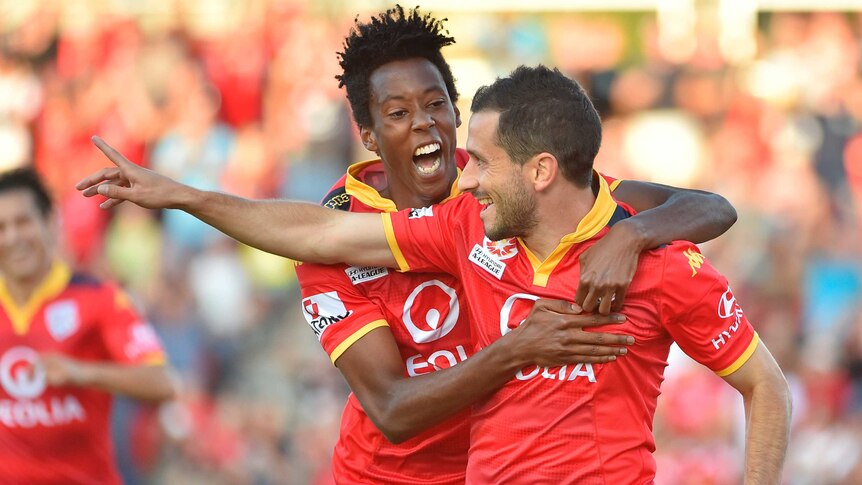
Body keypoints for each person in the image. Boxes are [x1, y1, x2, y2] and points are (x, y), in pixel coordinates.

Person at [77, 12, 747, 485]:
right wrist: (185, 195)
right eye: (398, 114)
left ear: (459, 113)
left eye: (436, 104)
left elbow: (707, 206)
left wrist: (630, 232)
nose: (424, 123)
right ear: (369, 134)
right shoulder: (339, 244)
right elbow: (394, 409)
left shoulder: (504, 184)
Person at [0, 168, 177, 485]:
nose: (12, 237)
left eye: (23, 222)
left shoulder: (100, 299)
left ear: (51, 223)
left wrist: (83, 372)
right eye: (1, 227)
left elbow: (162, 384)